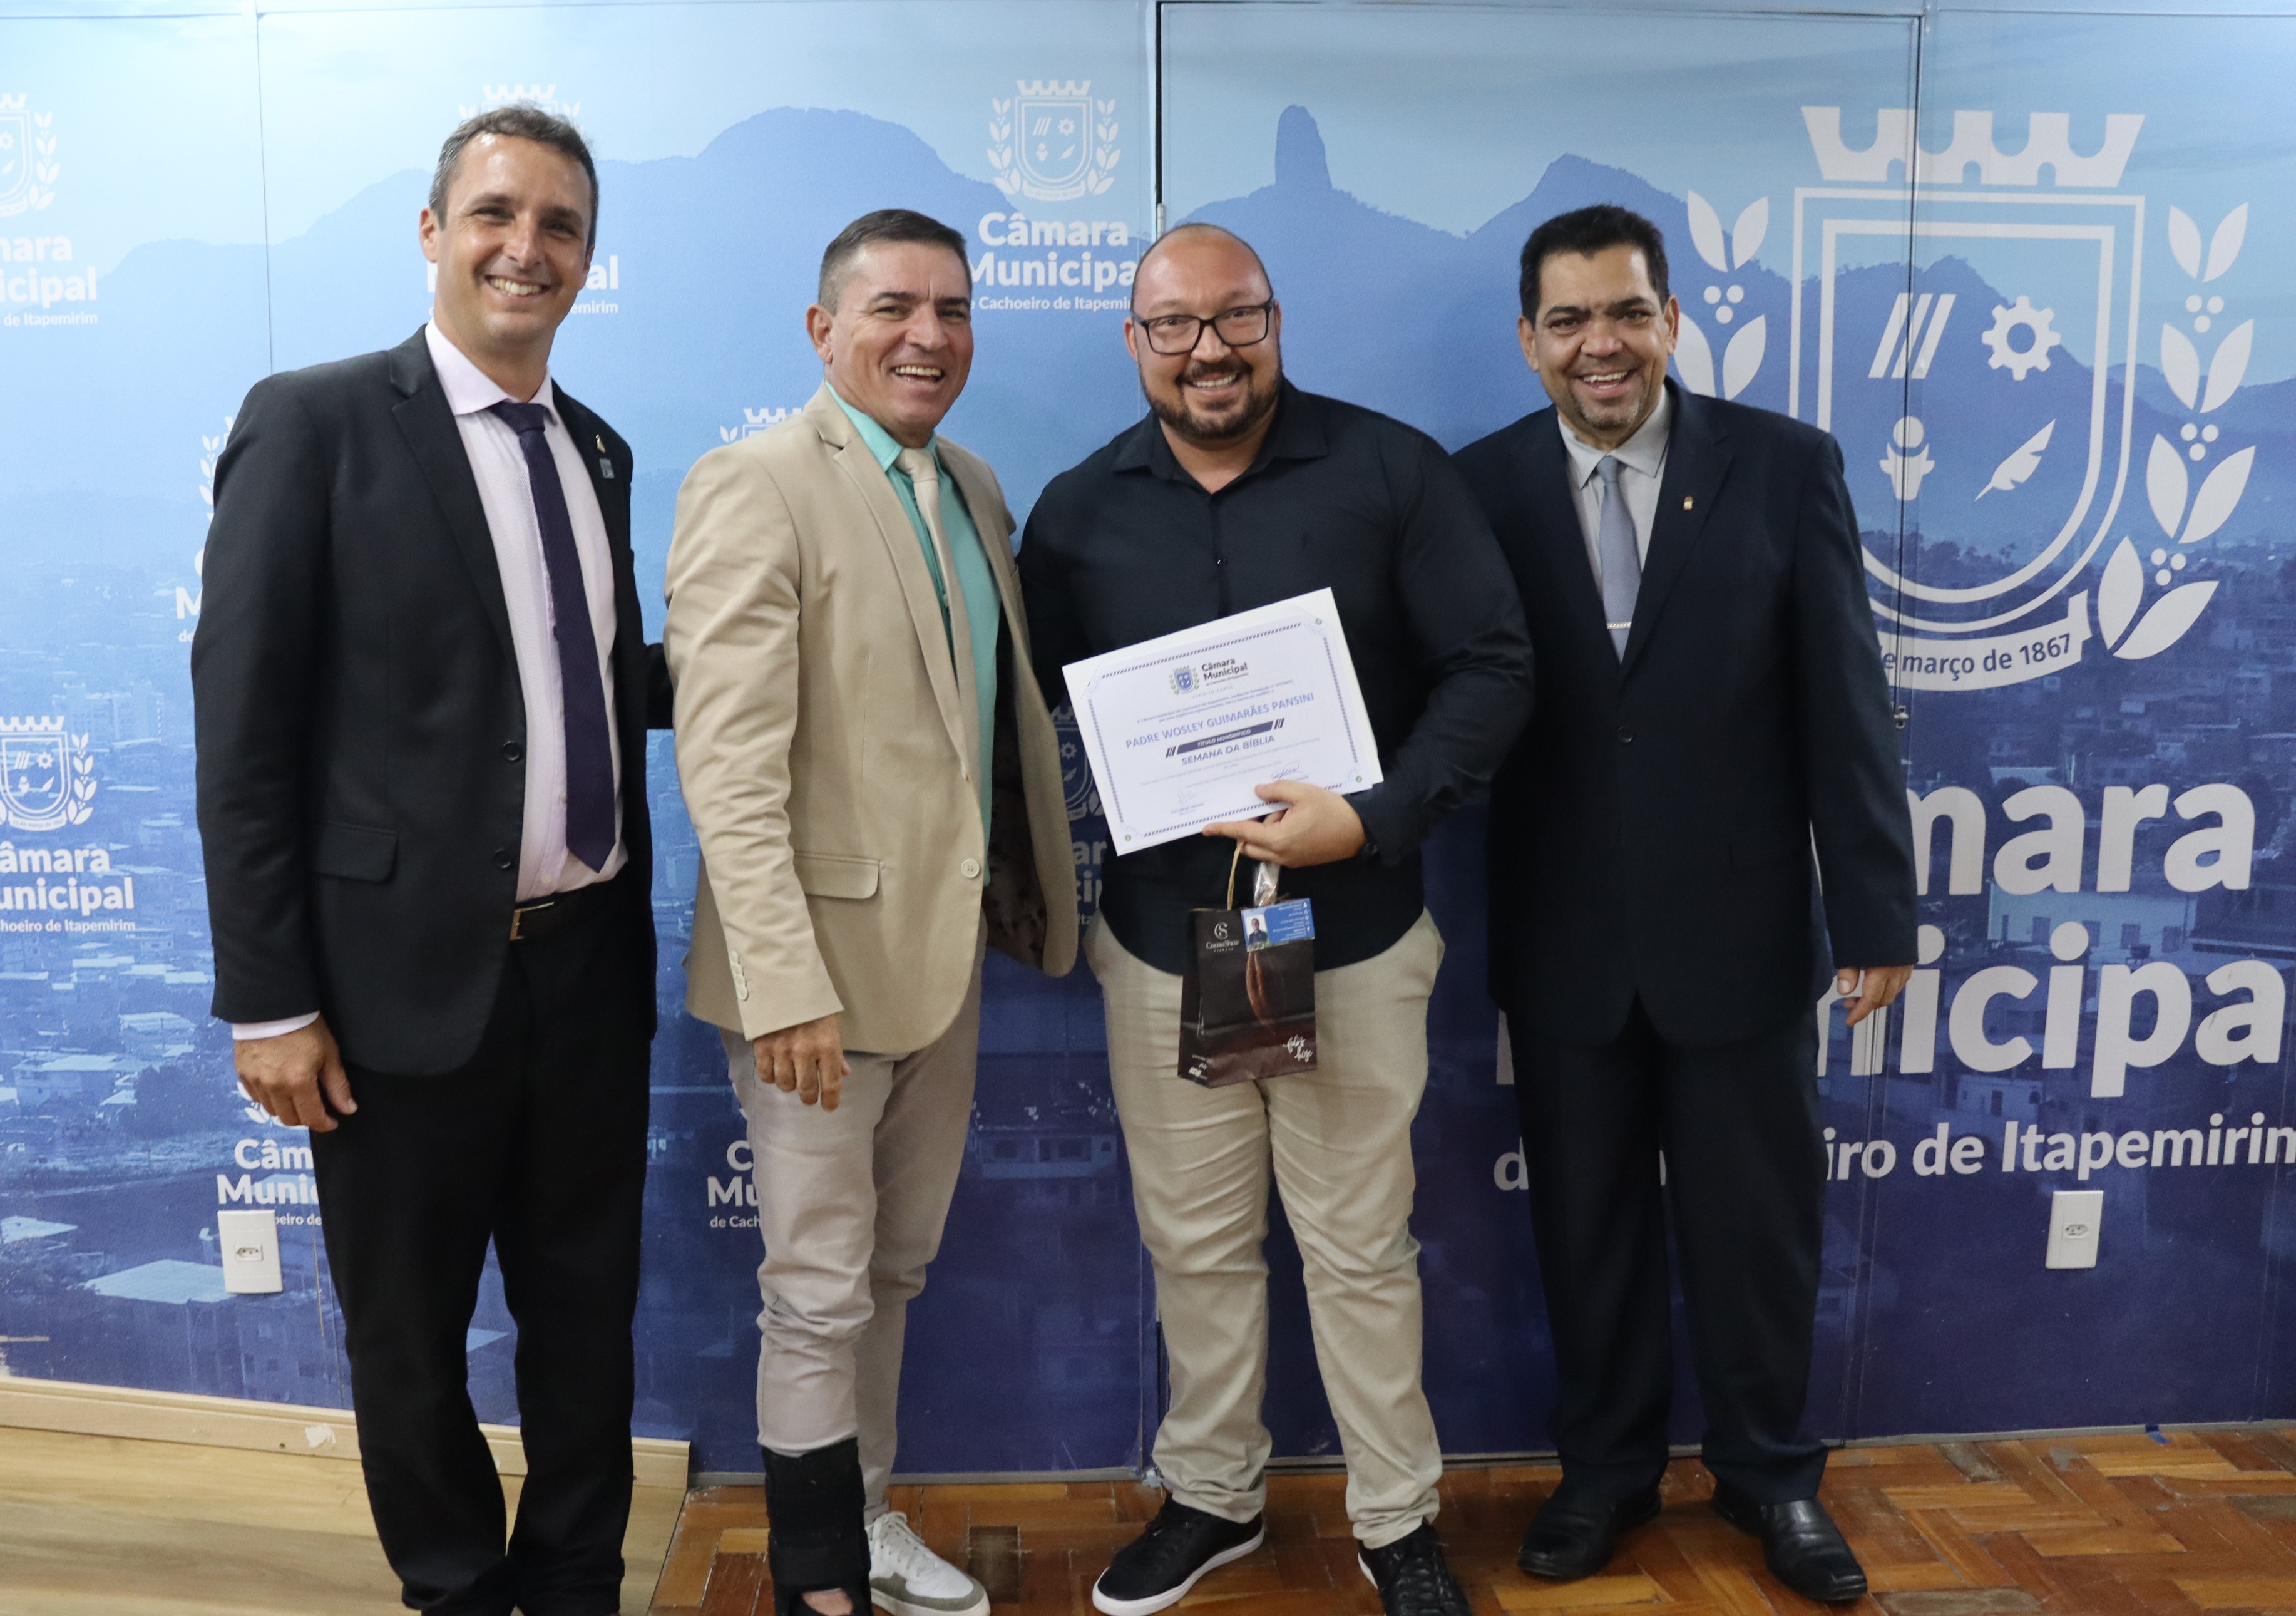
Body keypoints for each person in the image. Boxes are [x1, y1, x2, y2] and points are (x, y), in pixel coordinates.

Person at [1020, 223, 1533, 1616]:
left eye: (1236, 317)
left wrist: (1370, 816)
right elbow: (1021, 708)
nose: (1209, 351)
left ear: (1276, 319)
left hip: (1350, 929)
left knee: (1360, 1246)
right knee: (1192, 1243)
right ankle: (1212, 1493)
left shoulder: (1390, 471)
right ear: (1134, 342)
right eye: (1175, 326)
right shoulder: (1075, 513)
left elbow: (1493, 666)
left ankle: (1396, 1516)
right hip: (1161, 941)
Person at [193, 106, 665, 1616]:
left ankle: (576, 1583)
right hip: (392, 994)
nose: (527, 248)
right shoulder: (315, 423)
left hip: (588, 975)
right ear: (433, 232)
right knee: (407, 1338)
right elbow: (244, 735)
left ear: (588, 256)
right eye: (495, 214)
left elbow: (582, 684)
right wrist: (270, 1000)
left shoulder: (597, 448)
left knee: (588, 1323)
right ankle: (457, 1588)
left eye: (560, 224)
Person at [1449, 205, 1916, 1605]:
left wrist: (1876, 912)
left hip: (1745, 935)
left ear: (1670, 320)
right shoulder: (1476, 488)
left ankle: (1772, 1476)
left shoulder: (1783, 466)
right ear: (1527, 340)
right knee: (1584, 1231)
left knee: (1756, 1234)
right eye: (1570, 319)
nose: (1601, 343)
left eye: (1626, 312)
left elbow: (1844, 702)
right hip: (1563, 939)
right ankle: (1605, 1474)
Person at [664, 208, 1079, 1616]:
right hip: (814, 984)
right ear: (822, 328)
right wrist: (782, 982)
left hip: (942, 967)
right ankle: (816, 1580)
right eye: (894, 306)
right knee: (818, 1289)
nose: (928, 335)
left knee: (890, 1274)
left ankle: (861, 1516)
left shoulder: (971, 483)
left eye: (953, 309)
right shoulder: (757, 482)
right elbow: (727, 765)